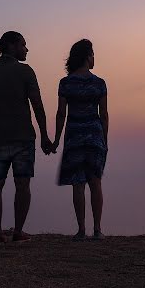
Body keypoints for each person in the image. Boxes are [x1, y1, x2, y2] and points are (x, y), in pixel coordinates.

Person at [0, 31, 53, 243]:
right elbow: (37, 105)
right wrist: (45, 136)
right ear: (11, 46)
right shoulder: (26, 72)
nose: (26, 49)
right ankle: (18, 232)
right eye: (23, 45)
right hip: (23, 139)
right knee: (23, 185)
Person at [52, 39, 108, 239]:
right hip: (94, 136)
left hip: (74, 136)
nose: (94, 58)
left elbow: (61, 114)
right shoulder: (99, 83)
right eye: (92, 54)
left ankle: (81, 230)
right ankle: (98, 230)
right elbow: (104, 115)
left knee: (78, 183)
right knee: (95, 182)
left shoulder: (66, 83)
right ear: (87, 56)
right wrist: (105, 140)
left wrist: (56, 140)